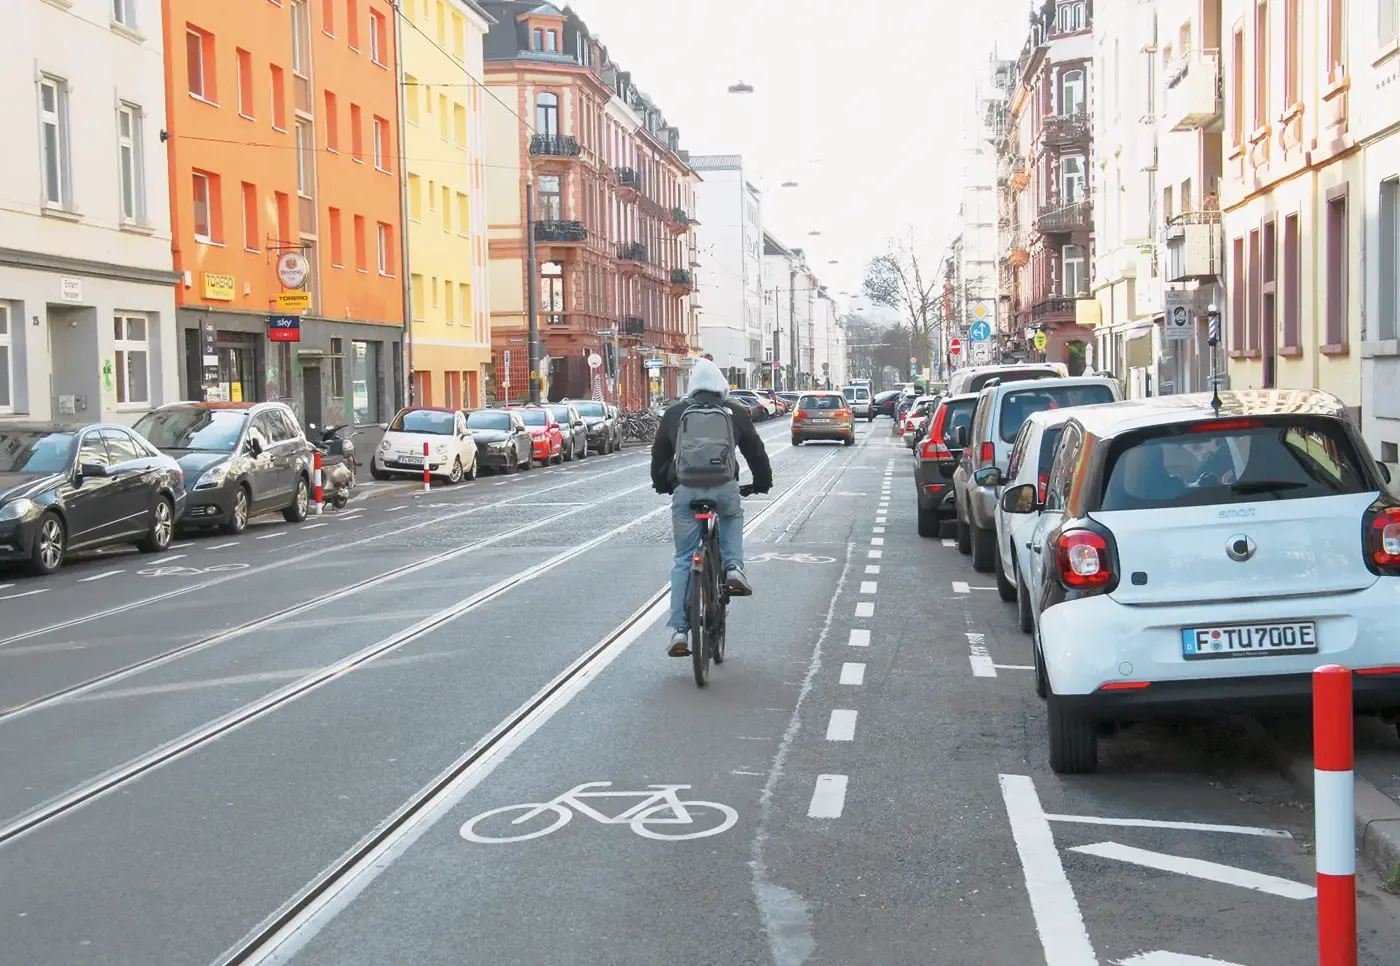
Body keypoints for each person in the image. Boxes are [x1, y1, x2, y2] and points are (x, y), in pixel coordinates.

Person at [651, 358, 773, 656]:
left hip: (686, 490)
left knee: (683, 559)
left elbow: (659, 455)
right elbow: (755, 451)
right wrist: (761, 483)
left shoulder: (676, 412)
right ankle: (732, 568)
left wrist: (663, 484)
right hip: (723, 487)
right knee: (731, 515)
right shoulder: (734, 412)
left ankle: (680, 630)